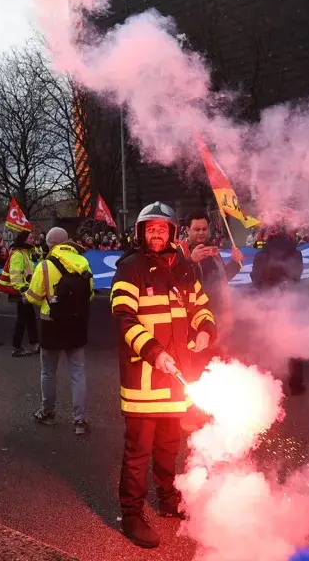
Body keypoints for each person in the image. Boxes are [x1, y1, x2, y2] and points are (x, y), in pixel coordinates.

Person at [112, 202, 216, 549]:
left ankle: (169, 501)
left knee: (169, 448)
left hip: (177, 383)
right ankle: (131, 514)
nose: (156, 234)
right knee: (138, 452)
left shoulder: (185, 269)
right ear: (141, 232)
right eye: (150, 228)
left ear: (173, 232)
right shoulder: (130, 268)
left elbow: (201, 307)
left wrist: (204, 330)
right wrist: (154, 352)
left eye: (162, 228)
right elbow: (124, 318)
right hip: (143, 384)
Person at [25, 227, 93, 435]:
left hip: (50, 323)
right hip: (76, 323)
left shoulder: (44, 265)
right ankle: (80, 421)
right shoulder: (82, 262)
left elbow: (33, 297)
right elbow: (89, 294)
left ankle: (48, 413)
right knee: (77, 373)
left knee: (48, 372)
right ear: (68, 242)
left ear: (49, 243)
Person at [251, 224, 306, 393]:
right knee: (294, 344)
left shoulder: (261, 255)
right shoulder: (295, 254)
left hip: (267, 305)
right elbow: (297, 275)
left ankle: (268, 384)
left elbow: (255, 278)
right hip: (290, 304)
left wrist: (265, 289)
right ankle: (296, 384)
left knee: (267, 343)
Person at [181, 212, 241, 352]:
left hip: (218, 315)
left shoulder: (213, 250)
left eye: (204, 229)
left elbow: (222, 278)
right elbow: (176, 281)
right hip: (194, 319)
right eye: (196, 229)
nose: (201, 233)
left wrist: (235, 262)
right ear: (187, 230)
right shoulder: (179, 252)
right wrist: (191, 262)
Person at [5, 230, 40, 357]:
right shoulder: (18, 254)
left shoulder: (26, 253)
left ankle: (34, 343)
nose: (33, 239)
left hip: (27, 291)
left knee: (29, 318)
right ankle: (17, 347)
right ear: (24, 239)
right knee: (23, 319)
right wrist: (22, 291)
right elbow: (16, 274)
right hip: (23, 292)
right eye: (30, 238)